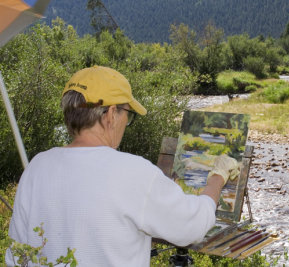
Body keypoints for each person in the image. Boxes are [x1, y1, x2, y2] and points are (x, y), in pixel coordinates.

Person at [6, 66, 239, 266]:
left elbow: (17, 255)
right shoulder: (134, 172)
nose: (127, 121)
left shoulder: (37, 167)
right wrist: (218, 176)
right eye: (127, 112)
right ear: (110, 114)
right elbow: (193, 225)